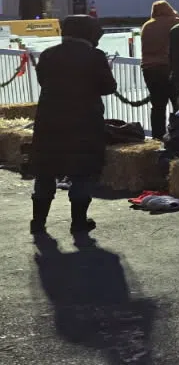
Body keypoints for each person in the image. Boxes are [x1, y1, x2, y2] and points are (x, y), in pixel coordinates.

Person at [29, 15, 118, 236]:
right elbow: (108, 87)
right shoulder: (94, 56)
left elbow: (42, 81)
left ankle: (38, 222)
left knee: (46, 172)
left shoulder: (49, 54)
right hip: (84, 122)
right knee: (82, 172)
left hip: (49, 121)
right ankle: (78, 223)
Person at [139, 0, 179, 138]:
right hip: (171, 68)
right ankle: (178, 134)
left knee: (158, 106)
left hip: (150, 69)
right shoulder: (178, 23)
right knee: (178, 104)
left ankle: (158, 137)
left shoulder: (147, 26)